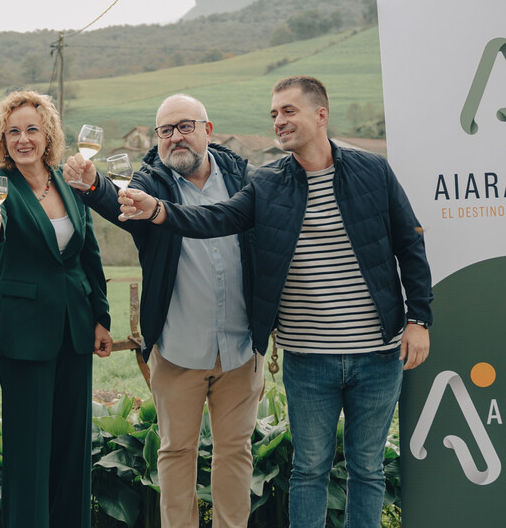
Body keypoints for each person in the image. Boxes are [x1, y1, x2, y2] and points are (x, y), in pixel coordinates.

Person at [119, 76, 432, 528]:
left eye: (289, 111)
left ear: (321, 115)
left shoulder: (373, 171)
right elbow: (217, 217)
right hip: (307, 356)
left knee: (367, 469)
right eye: (273, 114)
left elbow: (410, 241)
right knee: (308, 471)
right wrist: (158, 210)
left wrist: (419, 317)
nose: (279, 121)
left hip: (377, 353)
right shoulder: (267, 183)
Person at [62, 94, 262, 528]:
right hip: (177, 349)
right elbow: (118, 201)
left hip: (241, 349)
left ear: (208, 130)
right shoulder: (149, 184)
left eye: (185, 126)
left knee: (236, 452)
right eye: (166, 130)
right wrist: (94, 185)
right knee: (175, 452)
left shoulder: (243, 178)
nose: (176, 137)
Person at [0, 89, 113, 528]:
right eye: (13, 132)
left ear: (47, 134)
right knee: (28, 450)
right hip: (26, 332)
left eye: (32, 129)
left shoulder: (68, 182)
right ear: (2, 139)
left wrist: (101, 317)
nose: (23, 139)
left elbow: (88, 254)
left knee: (74, 447)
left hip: (76, 327)